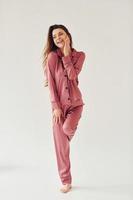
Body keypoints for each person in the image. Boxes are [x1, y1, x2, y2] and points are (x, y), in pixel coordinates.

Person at [42, 24, 85, 193]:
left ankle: (65, 136)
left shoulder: (80, 56)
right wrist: (55, 107)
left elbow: (73, 76)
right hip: (59, 108)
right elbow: (51, 85)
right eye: (54, 37)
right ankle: (66, 181)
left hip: (76, 105)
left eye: (60, 34)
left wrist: (67, 54)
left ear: (67, 35)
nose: (58, 38)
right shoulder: (52, 57)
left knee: (66, 129)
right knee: (61, 147)